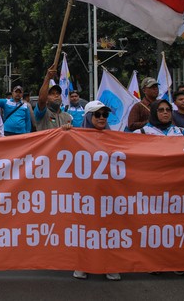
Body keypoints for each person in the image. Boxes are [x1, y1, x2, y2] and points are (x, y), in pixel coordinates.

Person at [74, 100, 121, 281]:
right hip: (84, 193)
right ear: (88, 116)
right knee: (84, 229)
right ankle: (82, 264)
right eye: (98, 114)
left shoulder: (115, 137)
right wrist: (64, 133)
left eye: (105, 115)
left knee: (109, 229)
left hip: (109, 191)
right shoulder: (74, 135)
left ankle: (110, 265)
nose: (102, 118)